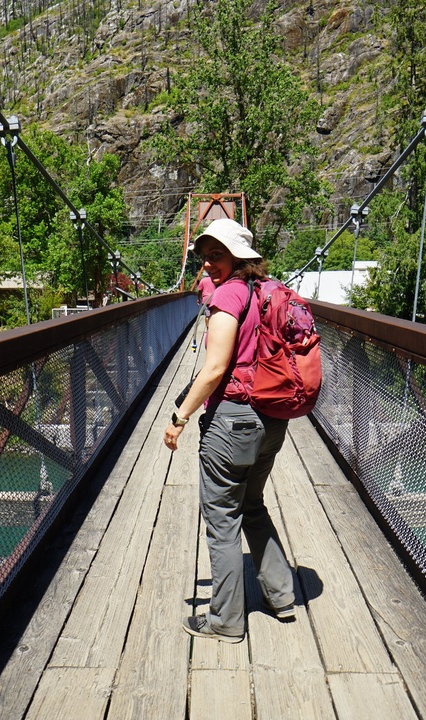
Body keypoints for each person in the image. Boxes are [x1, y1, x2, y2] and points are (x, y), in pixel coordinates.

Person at [164, 217, 296, 644]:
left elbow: (215, 368)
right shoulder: (269, 290)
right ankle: (282, 596)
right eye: (205, 257)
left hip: (233, 421)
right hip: (272, 421)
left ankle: (225, 621)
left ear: (239, 255)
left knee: (222, 520)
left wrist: (180, 418)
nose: (208, 265)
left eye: (217, 255)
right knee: (252, 506)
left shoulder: (228, 295)